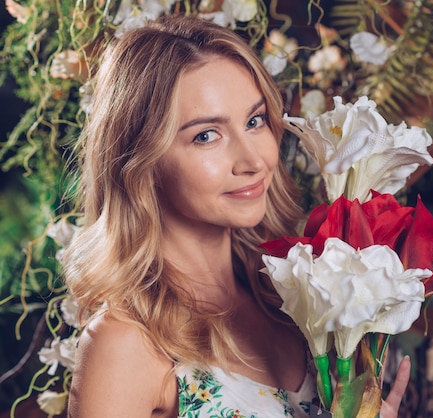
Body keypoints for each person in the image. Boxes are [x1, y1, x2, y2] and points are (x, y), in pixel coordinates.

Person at [63, 14, 410, 418]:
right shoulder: (125, 344)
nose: (253, 160)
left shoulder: (294, 301)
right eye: (206, 135)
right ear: (142, 162)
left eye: (254, 120)